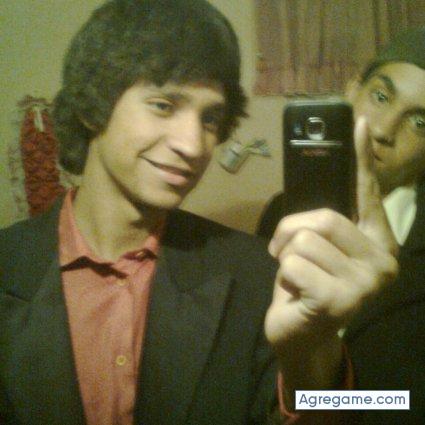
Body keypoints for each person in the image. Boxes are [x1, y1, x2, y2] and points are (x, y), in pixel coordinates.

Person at [0, 1, 397, 424]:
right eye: (163, 105)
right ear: (91, 104)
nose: (193, 145)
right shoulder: (10, 265)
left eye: (210, 118)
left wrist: (311, 352)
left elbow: (356, 409)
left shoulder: (259, 273)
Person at [258, 27, 425, 423]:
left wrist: (331, 401)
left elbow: (407, 402)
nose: (383, 131)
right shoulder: (280, 214)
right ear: (352, 90)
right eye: (381, 97)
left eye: (420, 122)